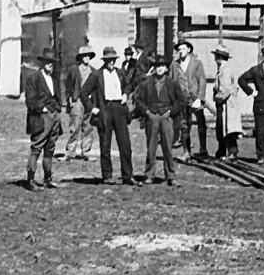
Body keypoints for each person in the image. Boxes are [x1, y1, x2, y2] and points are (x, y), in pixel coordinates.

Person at [81, 46, 136, 186]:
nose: (111, 62)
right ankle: (107, 175)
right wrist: (92, 109)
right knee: (105, 145)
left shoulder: (120, 73)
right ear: (104, 60)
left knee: (125, 145)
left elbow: (128, 86)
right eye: (108, 60)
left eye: (113, 59)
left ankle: (127, 176)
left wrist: (125, 94)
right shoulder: (96, 75)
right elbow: (83, 93)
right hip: (104, 110)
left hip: (119, 110)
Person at [133, 52, 187, 185]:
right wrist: (146, 112)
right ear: (154, 68)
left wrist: (170, 112)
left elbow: (181, 100)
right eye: (157, 66)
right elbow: (138, 100)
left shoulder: (172, 84)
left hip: (166, 117)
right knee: (151, 147)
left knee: (168, 147)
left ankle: (171, 176)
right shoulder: (146, 83)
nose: (160, 68)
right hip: (152, 117)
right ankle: (149, 174)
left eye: (162, 66)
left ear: (167, 68)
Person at [23, 48, 63, 190]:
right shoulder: (34, 78)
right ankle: (31, 179)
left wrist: (57, 109)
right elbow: (30, 101)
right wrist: (44, 109)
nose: (50, 66)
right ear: (42, 63)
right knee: (37, 148)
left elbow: (58, 97)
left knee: (50, 148)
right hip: (41, 117)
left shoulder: (54, 79)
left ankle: (48, 178)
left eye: (52, 63)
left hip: (54, 117)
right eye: (48, 63)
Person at [170, 39, 208, 160]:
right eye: (179, 49)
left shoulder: (197, 63)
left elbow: (202, 81)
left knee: (201, 123)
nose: (181, 51)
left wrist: (200, 98)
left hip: (195, 98)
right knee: (184, 126)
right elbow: (170, 82)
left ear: (189, 50)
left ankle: (203, 149)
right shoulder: (174, 65)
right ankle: (186, 152)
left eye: (183, 49)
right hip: (181, 100)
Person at [61, 45, 96, 161]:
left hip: (89, 101)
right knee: (75, 126)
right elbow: (68, 85)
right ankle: (70, 152)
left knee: (88, 126)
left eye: (88, 56)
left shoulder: (93, 71)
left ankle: (86, 151)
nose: (86, 58)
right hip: (78, 100)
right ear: (81, 57)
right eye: (84, 56)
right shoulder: (74, 70)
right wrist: (70, 98)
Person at [210, 45, 245, 159]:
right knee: (222, 127)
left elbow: (225, 89)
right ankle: (222, 151)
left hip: (226, 104)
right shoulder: (222, 70)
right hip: (225, 102)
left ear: (219, 58)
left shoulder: (225, 70)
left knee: (227, 128)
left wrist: (217, 98)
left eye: (216, 57)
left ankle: (232, 151)